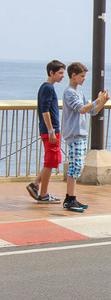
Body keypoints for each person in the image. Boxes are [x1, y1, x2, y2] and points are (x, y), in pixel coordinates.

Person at [62, 62, 110, 212]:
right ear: (73, 75)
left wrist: (102, 102)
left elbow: (92, 111)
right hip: (74, 134)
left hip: (81, 134)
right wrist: (97, 100)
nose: (84, 79)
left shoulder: (79, 93)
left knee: (78, 166)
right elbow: (82, 109)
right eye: (82, 76)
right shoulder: (69, 92)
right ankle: (70, 199)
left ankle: (72, 197)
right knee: (75, 166)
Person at [27, 60, 66, 203]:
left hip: (50, 129)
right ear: (51, 72)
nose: (62, 76)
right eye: (60, 73)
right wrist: (51, 130)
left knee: (52, 160)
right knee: (50, 161)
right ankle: (43, 194)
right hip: (50, 130)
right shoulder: (48, 88)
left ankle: (35, 185)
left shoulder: (46, 87)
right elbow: (45, 110)